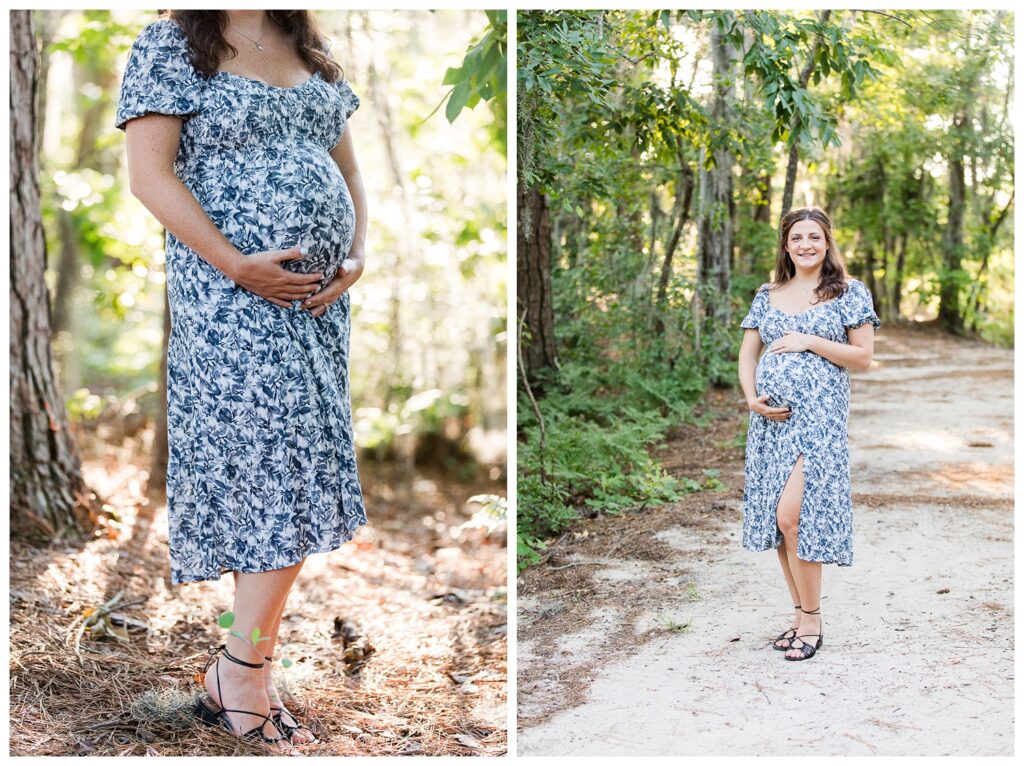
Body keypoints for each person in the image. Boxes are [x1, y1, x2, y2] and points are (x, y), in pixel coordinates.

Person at [115, 9, 368, 745]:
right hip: (229, 299)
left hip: (315, 305)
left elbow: (348, 170)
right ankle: (242, 670)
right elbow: (148, 174)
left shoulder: (310, 47)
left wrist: (357, 251)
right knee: (273, 472)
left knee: (280, 478)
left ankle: (238, 664)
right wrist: (235, 263)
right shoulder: (171, 42)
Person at [736, 206, 880, 662]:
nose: (805, 245)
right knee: (781, 526)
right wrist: (751, 396)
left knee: (793, 515)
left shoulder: (848, 292)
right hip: (770, 423)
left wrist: (808, 339)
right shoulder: (768, 292)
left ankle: (813, 621)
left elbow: (863, 358)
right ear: (786, 244)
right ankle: (799, 614)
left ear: (827, 242)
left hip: (819, 422)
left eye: (814, 237)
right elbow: (747, 353)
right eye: (797, 237)